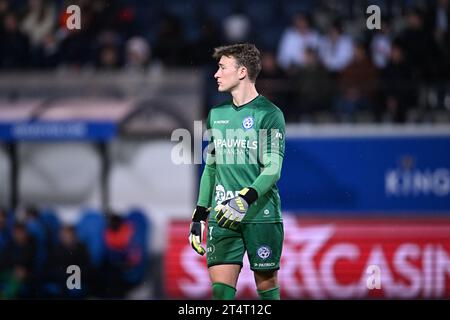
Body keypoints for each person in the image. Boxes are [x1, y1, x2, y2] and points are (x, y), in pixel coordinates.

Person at [188, 43, 285, 300]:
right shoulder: (216, 115)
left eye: (222, 67)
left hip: (260, 213)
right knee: (220, 294)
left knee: (266, 288)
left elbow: (273, 167)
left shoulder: (270, 114)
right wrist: (200, 214)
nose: (215, 74)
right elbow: (211, 166)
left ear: (242, 72)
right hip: (223, 213)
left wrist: (245, 199)